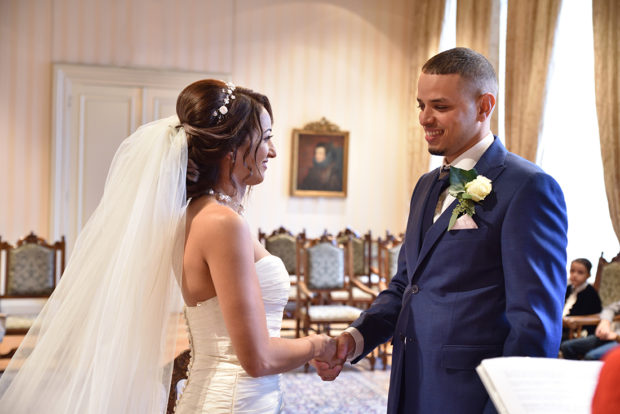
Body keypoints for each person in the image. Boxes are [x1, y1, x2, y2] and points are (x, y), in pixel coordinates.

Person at [0, 79, 336, 413]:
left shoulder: (197, 214)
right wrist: (320, 344)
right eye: (266, 138)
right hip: (234, 402)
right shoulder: (222, 224)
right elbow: (258, 359)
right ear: (232, 148)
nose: (273, 151)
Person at [313, 47, 568, 414]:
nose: (424, 118)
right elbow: (406, 286)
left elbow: (534, 324)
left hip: (471, 396)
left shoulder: (529, 188)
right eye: (420, 105)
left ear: (484, 107)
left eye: (440, 106)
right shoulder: (426, 185)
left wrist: (505, 407)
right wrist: (355, 339)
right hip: (409, 383)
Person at [562, 258, 602, 338]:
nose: (574, 275)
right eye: (572, 271)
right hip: (563, 325)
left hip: (580, 330)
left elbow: (595, 315)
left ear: (588, 275)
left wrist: (568, 320)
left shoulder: (590, 293)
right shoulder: (569, 288)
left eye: (580, 272)